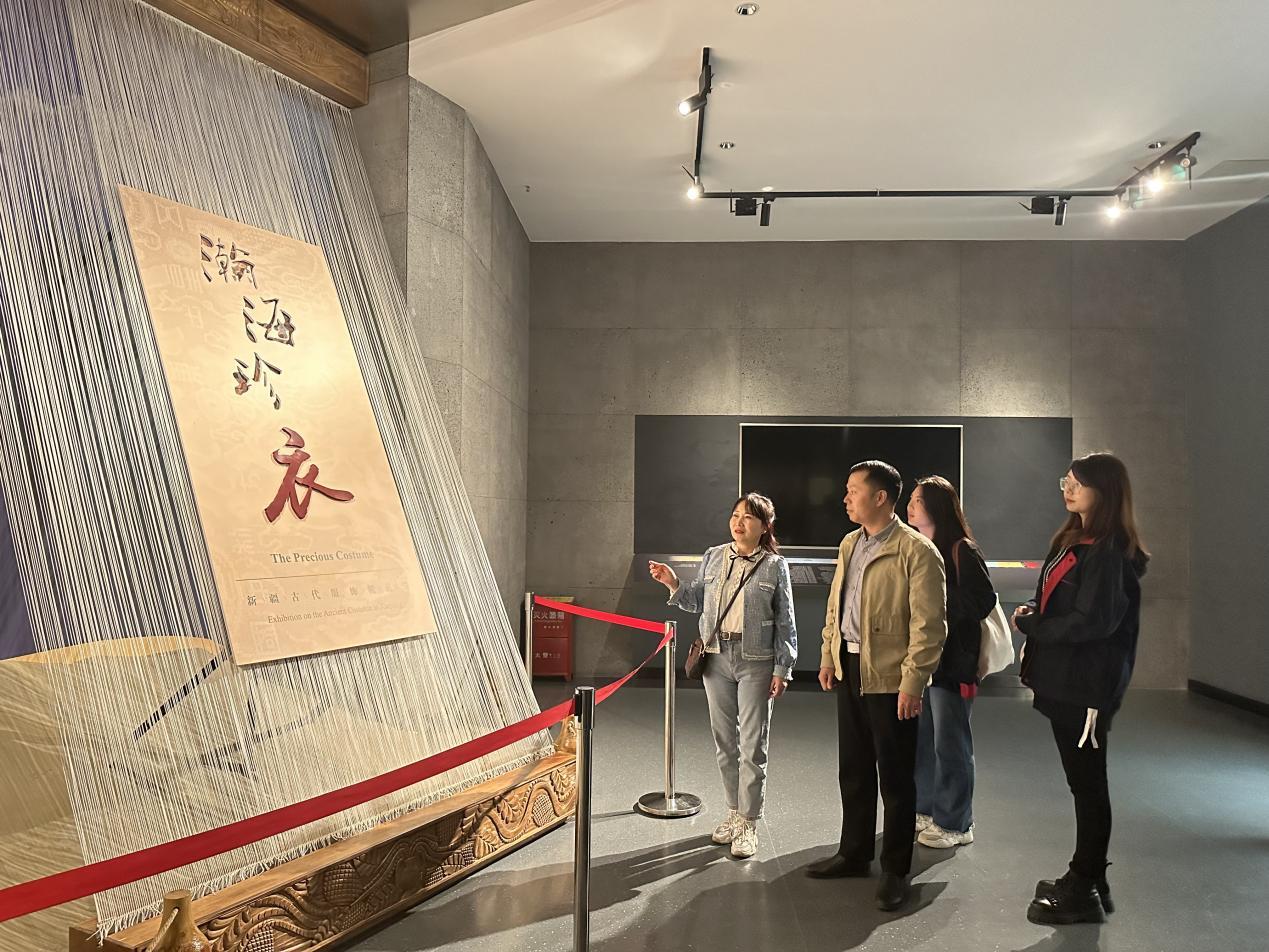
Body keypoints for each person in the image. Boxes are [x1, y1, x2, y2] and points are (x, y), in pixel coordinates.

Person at [1013, 453, 1148, 925]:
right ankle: (1088, 878)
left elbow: (1093, 622)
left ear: (1104, 491)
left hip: (1085, 686)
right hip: (1067, 680)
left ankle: (1085, 883)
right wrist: (1036, 612)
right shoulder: (1076, 539)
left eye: (1078, 483)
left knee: (1088, 786)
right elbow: (1061, 600)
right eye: (1066, 481)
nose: (1067, 490)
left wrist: (1034, 626)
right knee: (1083, 784)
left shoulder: (1109, 551)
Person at [806, 461, 947, 912]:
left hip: (891, 676)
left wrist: (913, 681)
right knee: (854, 768)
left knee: (896, 777)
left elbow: (929, 625)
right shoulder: (850, 543)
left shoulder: (917, 550)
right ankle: (853, 853)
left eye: (854, 490)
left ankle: (895, 870)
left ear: (880, 497)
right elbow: (836, 607)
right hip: (850, 667)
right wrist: (828, 654)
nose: (845, 497)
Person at [648, 492, 797, 860]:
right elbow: (696, 600)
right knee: (725, 742)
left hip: (757, 660)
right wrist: (673, 583)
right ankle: (733, 811)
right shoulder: (714, 555)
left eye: (748, 517)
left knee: (752, 746)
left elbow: (786, 621)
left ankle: (749, 821)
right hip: (716, 658)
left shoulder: (775, 566)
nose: (738, 522)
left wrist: (783, 668)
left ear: (764, 526)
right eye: (735, 515)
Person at [907, 476, 997, 849]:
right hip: (925, 663)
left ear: (936, 506)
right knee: (924, 741)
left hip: (954, 665)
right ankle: (927, 809)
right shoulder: (918, 547)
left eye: (917, 500)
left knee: (952, 744)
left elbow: (983, 600)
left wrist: (937, 598)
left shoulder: (962, 549)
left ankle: (956, 823)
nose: (909, 506)